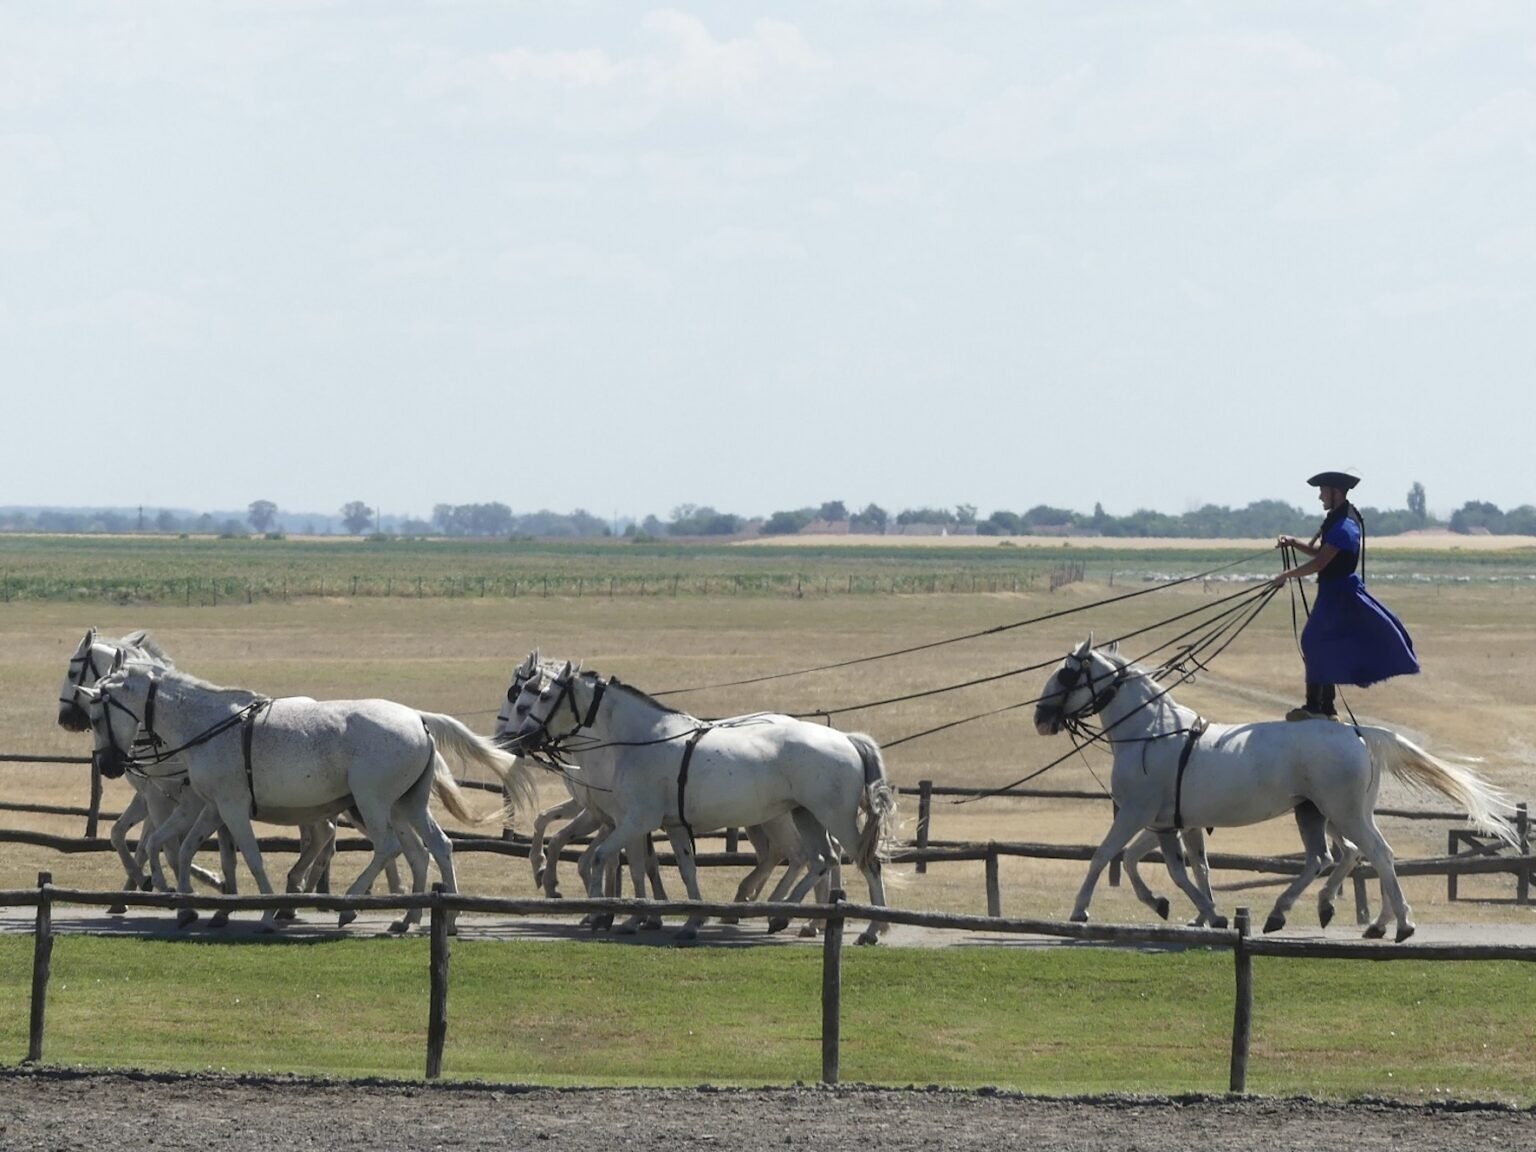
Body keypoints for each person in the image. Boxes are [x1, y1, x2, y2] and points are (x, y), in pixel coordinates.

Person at [1272, 470, 1419, 720]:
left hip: (1339, 596)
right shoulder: (1338, 521)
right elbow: (1321, 554)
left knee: (1312, 641)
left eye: (1322, 492)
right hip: (1331, 592)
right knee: (1319, 642)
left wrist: (1286, 575)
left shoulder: (1345, 527)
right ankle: (1325, 707)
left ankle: (1317, 707)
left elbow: (1320, 563)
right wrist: (1294, 542)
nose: (1320, 497)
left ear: (1335, 492)